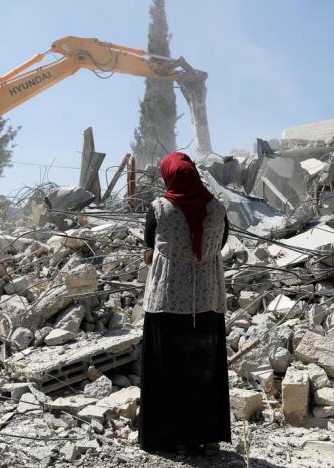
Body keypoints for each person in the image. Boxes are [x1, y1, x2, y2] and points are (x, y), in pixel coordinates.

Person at [138, 151, 231, 454]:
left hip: (167, 302)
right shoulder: (217, 208)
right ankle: (206, 437)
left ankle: (167, 438)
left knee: (168, 370)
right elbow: (222, 243)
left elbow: (149, 245)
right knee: (204, 369)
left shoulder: (159, 209)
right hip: (207, 299)